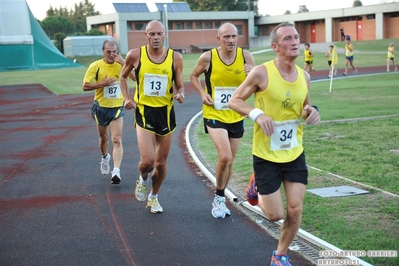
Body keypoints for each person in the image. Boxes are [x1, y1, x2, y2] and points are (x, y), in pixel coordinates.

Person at [228, 22, 320, 266]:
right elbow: (235, 101)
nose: (294, 41)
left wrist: (312, 111)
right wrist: (257, 114)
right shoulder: (261, 72)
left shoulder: (305, 76)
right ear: (275, 46)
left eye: (296, 37)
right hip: (266, 155)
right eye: (288, 39)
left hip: (294, 152)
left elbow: (303, 108)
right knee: (274, 214)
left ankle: (279, 255)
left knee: (295, 209)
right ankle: (255, 182)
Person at [190, 22, 256, 219]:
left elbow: (257, 84)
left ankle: (221, 196)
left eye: (234, 36)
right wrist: (202, 92)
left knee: (230, 161)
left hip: (236, 114)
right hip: (214, 113)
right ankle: (219, 199)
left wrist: (252, 73)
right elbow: (194, 76)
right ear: (218, 39)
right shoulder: (208, 57)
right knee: (225, 156)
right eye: (226, 37)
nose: (231, 40)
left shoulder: (246, 57)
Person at [120, 20, 185, 214]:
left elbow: (179, 85)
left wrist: (180, 93)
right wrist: (126, 98)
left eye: (159, 34)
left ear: (164, 34)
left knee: (161, 164)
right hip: (144, 111)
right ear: (146, 36)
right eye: (152, 34)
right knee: (147, 161)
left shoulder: (175, 58)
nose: (156, 37)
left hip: (165, 113)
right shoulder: (135, 55)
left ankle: (154, 197)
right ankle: (143, 179)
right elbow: (123, 76)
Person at [83, 39, 133, 185]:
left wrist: (124, 63)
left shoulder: (122, 65)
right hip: (101, 107)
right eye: (108, 52)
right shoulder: (96, 66)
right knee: (103, 138)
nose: (112, 54)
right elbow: (85, 86)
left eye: (114, 52)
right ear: (103, 51)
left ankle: (116, 171)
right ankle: (105, 157)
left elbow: (137, 78)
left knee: (116, 139)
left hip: (117, 107)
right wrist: (102, 84)